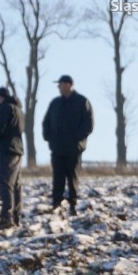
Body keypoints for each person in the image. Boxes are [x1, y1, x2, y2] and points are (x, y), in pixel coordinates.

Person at [42, 75, 94, 216]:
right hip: (57, 147)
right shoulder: (55, 103)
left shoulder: (82, 102)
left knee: (72, 177)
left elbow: (88, 124)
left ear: (69, 85)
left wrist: (76, 140)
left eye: (60, 84)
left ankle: (73, 205)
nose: (59, 87)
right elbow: (46, 122)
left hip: (73, 148)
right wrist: (49, 137)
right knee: (57, 177)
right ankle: (56, 204)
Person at [0, 87, 25, 229]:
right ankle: (17, 217)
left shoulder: (6, 108)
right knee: (16, 185)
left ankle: (6, 217)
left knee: (5, 183)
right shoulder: (18, 109)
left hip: (8, 150)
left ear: (2, 97)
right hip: (17, 149)